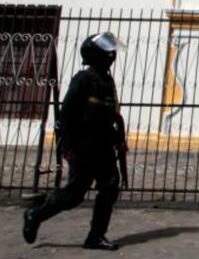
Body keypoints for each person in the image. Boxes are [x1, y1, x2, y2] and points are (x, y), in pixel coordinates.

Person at [22, 32, 126, 251]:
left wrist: (119, 139)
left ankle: (96, 236)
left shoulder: (107, 81)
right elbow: (66, 116)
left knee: (110, 187)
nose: (111, 55)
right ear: (95, 54)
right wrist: (68, 146)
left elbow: (112, 114)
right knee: (73, 195)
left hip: (103, 144)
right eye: (107, 51)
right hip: (83, 146)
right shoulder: (83, 79)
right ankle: (35, 214)